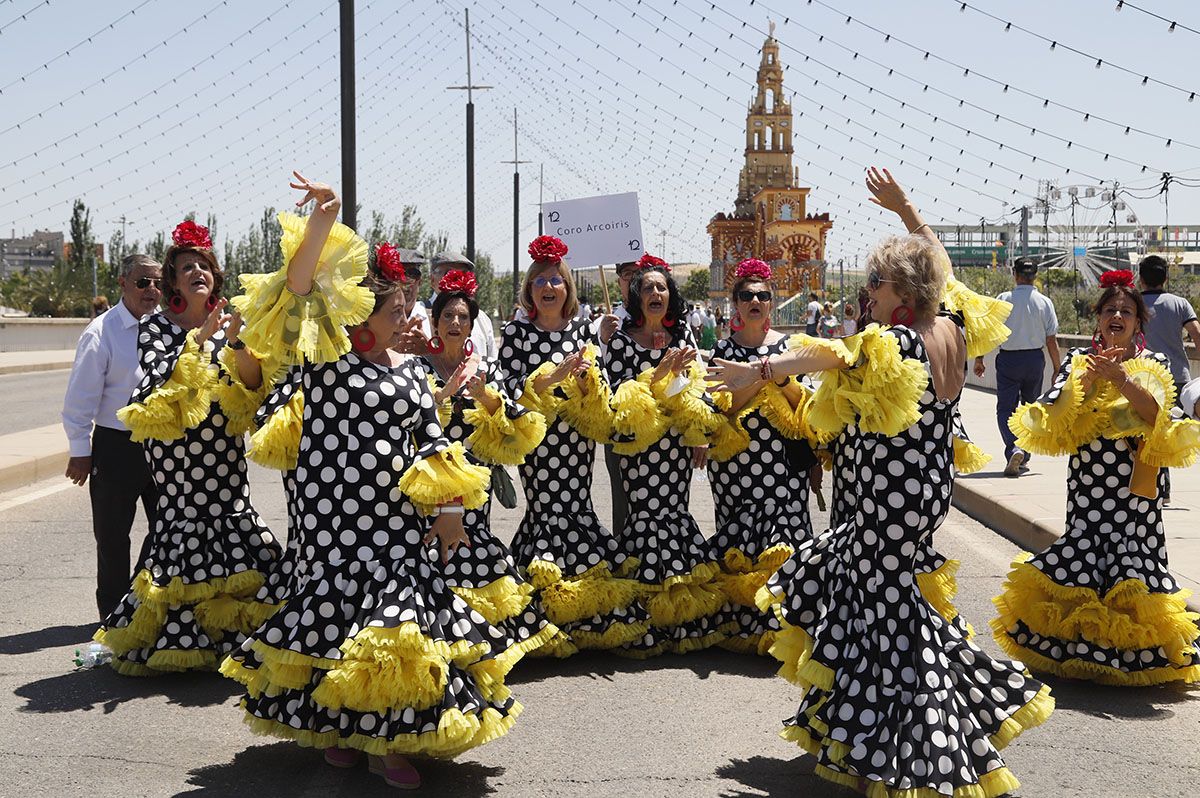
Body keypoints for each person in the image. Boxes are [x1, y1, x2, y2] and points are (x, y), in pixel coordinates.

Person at [710, 167, 1052, 796]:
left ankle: (927, 751)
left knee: (894, 629)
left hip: (885, 508)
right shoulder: (950, 325)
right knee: (882, 614)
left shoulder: (900, 341)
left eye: (876, 281)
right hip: (911, 499)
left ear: (902, 292)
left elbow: (834, 353)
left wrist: (758, 369)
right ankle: (872, 733)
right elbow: (942, 270)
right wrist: (907, 211)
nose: (867, 291)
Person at [222, 174, 527, 788]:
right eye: (395, 305)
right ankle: (340, 727)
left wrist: (450, 509)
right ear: (364, 312)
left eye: (405, 306)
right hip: (332, 521)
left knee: (394, 629)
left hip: (396, 525)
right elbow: (300, 288)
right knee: (337, 622)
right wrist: (323, 221)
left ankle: (390, 741)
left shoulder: (414, 371)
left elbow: (434, 440)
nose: (406, 312)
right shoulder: (327, 359)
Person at [995, 268, 1200, 686]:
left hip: (1135, 490)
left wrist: (1122, 380)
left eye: (1126, 310)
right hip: (1089, 487)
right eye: (1110, 310)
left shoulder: (1153, 365)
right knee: (1086, 558)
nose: (1118, 316)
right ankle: (1085, 648)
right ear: (1099, 320)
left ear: (1139, 322)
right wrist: (1086, 381)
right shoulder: (1076, 363)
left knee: (1132, 564)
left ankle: (1135, 655)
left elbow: (1158, 417)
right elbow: (1051, 412)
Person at [95, 222, 282, 675]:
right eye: (187, 267)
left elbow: (254, 385)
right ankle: (177, 643)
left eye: (204, 265)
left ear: (215, 277)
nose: (197, 271)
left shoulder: (232, 325)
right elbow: (158, 382)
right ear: (174, 282)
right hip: (178, 454)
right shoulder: (155, 327)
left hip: (223, 451)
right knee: (185, 531)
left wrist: (237, 343)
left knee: (233, 526)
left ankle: (230, 639)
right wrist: (199, 339)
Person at [497, 236, 645, 651]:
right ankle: (540, 619)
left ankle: (586, 617)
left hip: (576, 438)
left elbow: (602, 387)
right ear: (529, 289)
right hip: (538, 439)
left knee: (577, 504)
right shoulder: (517, 332)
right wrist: (547, 381)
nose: (548, 287)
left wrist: (587, 379)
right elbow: (507, 389)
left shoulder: (584, 330)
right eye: (540, 280)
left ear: (567, 289)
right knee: (545, 506)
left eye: (556, 281)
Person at [417, 266, 565, 657]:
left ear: (471, 325)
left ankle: (477, 638)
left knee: (473, 544)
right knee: (433, 551)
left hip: (475, 479)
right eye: (447, 315)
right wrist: (448, 391)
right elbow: (414, 416)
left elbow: (512, 413)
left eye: (462, 317)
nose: (454, 322)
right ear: (435, 322)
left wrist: (483, 395)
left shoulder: (484, 367)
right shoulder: (417, 369)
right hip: (432, 481)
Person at [602, 253, 727, 656]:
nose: (656, 292)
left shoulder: (683, 338)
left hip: (675, 449)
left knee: (673, 512)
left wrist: (699, 434)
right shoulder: (620, 342)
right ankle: (641, 617)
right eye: (648, 287)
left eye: (661, 287)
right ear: (636, 297)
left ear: (669, 296)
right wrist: (659, 376)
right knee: (643, 516)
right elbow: (618, 398)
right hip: (639, 449)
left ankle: (678, 616)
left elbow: (697, 389)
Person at [705, 258, 817, 655]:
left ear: (772, 303)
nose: (755, 300)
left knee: (784, 537)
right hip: (735, 465)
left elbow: (804, 402)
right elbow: (722, 408)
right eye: (747, 295)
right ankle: (746, 625)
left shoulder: (790, 349)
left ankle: (784, 628)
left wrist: (772, 374)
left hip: (783, 462)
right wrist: (757, 378)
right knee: (741, 539)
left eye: (763, 295)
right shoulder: (721, 351)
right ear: (735, 304)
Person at [63, 253, 163, 621]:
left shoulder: (169, 328)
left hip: (165, 447)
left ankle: (141, 605)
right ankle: (112, 618)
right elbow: (80, 399)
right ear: (123, 284)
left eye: (158, 283)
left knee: (169, 529)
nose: (152, 290)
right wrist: (80, 451)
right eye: (142, 282)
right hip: (116, 447)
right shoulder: (100, 333)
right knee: (112, 539)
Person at [974, 256, 1060, 477]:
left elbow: (989, 331)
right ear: (1035, 277)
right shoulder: (1045, 302)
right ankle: (1024, 453)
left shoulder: (1004, 299)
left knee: (1005, 408)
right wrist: (1058, 369)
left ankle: (1014, 448)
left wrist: (980, 358)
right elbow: (1052, 340)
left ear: (1015, 275)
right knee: (1030, 408)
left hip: (1009, 360)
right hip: (1035, 360)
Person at [1138, 254, 1200, 502]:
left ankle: (1156, 486)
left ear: (1141, 279)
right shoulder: (1180, 303)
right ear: (1165, 278)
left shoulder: (1133, 304)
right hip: (1177, 377)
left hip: (1144, 377)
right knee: (1168, 431)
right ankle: (1163, 487)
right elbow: (1196, 334)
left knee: (1150, 432)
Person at [593, 260, 639, 535]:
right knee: (623, 495)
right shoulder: (605, 323)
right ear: (618, 281)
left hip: (666, 426)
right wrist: (603, 340)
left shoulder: (672, 320)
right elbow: (592, 368)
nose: (632, 280)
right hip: (620, 425)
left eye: (638, 274)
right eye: (626, 275)